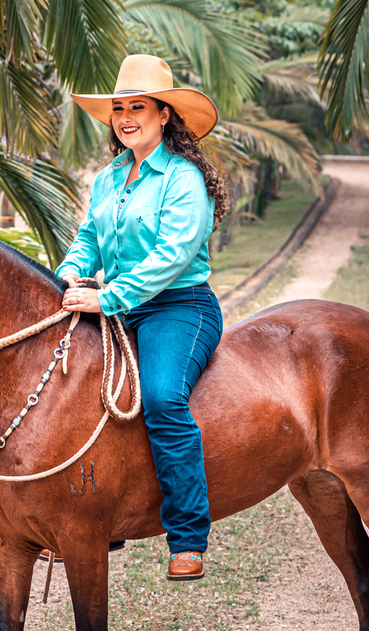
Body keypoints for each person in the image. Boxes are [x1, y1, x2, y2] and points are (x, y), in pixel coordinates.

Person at [58, 54, 228, 581]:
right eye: (119, 109)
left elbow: (172, 255)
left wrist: (107, 298)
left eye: (138, 107)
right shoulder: (110, 177)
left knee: (160, 397)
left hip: (179, 306)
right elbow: (89, 236)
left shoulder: (183, 178)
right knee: (70, 389)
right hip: (116, 303)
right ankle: (97, 518)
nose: (126, 118)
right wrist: (69, 273)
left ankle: (188, 536)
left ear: (164, 115)